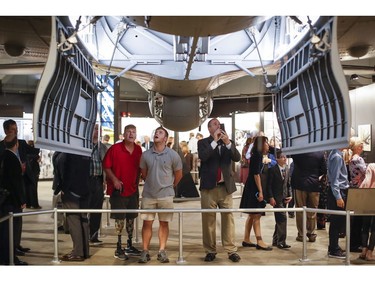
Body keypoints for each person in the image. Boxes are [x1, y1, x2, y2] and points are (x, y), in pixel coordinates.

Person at [198, 118, 242, 262]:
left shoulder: (228, 143)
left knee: (228, 219)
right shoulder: (203, 143)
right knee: (208, 220)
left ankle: (230, 250)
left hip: (225, 187)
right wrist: (215, 141)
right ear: (209, 129)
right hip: (209, 188)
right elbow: (204, 156)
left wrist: (228, 142)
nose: (219, 126)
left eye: (219, 124)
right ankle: (210, 250)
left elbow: (237, 157)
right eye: (215, 124)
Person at [138, 126, 182, 263]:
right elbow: (144, 174)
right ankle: (145, 251)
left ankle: (162, 251)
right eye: (156, 132)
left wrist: (169, 186)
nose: (157, 133)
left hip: (166, 196)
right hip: (148, 195)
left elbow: (178, 175)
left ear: (165, 138)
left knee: (164, 224)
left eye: (160, 132)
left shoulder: (173, 155)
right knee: (147, 223)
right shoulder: (145, 155)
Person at [103, 124, 143, 260]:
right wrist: (114, 180)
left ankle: (129, 245)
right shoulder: (115, 149)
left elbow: (140, 168)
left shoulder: (138, 150)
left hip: (133, 190)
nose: (131, 134)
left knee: (131, 217)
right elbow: (106, 166)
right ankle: (118, 247)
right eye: (128, 132)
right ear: (123, 134)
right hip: (118, 190)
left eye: (134, 132)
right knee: (119, 218)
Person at [0, 119, 39, 256]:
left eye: (16, 129)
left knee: (18, 219)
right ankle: (11, 249)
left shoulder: (21, 143)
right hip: (9, 189)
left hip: (22, 184)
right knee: (11, 220)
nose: (15, 132)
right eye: (12, 130)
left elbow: (35, 151)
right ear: (6, 131)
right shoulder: (2, 147)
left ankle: (16, 244)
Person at [240, 136, 272, 252]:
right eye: (266, 143)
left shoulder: (256, 155)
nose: (268, 145)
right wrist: (261, 191)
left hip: (251, 186)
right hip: (254, 187)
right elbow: (256, 174)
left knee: (252, 214)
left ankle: (246, 239)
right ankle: (259, 241)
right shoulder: (257, 156)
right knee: (256, 214)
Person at [57, 152, 91, 262]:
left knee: (74, 221)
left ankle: (78, 253)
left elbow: (68, 173)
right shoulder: (83, 151)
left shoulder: (69, 153)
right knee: (83, 220)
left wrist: (64, 189)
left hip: (72, 192)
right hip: (84, 189)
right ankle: (84, 251)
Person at [0, 134, 28, 265]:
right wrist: (22, 200)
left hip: (6, 200)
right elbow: (15, 184)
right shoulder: (12, 159)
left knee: (6, 231)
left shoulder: (3, 156)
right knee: (11, 231)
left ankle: (6, 256)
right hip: (12, 201)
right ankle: (11, 258)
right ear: (16, 144)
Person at [291, 151, 327, 242]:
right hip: (313, 184)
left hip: (299, 184)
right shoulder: (319, 153)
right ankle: (311, 233)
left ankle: (301, 234)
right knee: (312, 211)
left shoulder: (298, 152)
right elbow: (324, 169)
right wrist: (314, 175)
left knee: (300, 210)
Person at [327, 147, 349, 259]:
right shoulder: (336, 156)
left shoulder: (335, 154)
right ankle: (333, 250)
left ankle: (333, 247)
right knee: (336, 222)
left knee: (336, 221)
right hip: (338, 191)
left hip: (338, 191)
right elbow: (334, 179)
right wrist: (338, 196)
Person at [267, 150, 292, 249]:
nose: (284, 158)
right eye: (282, 157)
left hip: (284, 197)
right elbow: (269, 185)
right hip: (276, 198)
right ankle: (281, 241)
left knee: (279, 219)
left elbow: (288, 183)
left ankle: (275, 240)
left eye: (285, 156)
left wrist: (289, 195)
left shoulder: (287, 168)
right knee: (282, 218)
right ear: (277, 159)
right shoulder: (272, 170)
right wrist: (271, 197)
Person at [88, 124, 108, 245]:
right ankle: (83, 234)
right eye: (95, 128)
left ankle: (93, 235)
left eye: (99, 129)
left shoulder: (103, 147)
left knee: (96, 209)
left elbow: (106, 165)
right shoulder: (84, 145)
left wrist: (105, 181)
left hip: (98, 181)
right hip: (85, 180)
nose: (97, 131)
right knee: (84, 209)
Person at [348, 137, 366, 252]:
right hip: (360, 190)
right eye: (360, 146)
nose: (362, 148)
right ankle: (355, 244)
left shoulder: (351, 158)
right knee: (358, 220)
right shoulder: (358, 159)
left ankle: (355, 243)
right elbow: (366, 171)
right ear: (357, 147)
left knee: (355, 219)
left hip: (354, 189)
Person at [358, 163, 375, 261]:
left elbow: (366, 182)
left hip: (367, 196)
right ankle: (370, 253)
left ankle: (364, 251)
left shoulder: (371, 165)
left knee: (365, 225)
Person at [24, 140, 42, 209]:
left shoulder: (27, 155)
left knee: (28, 189)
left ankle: (28, 204)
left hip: (28, 174)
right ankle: (34, 204)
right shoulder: (35, 156)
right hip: (34, 174)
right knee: (34, 189)